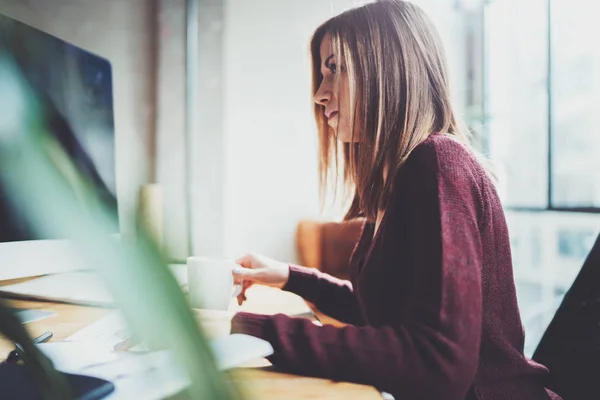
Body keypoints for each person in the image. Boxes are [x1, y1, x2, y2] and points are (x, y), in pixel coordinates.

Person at [230, 1, 562, 399]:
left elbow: (437, 362)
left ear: (387, 68)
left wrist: (253, 331)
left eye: (335, 68)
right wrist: (288, 276)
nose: (320, 94)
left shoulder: (439, 163)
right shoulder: (399, 178)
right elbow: (383, 310)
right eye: (322, 73)